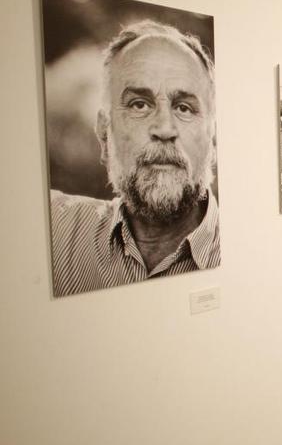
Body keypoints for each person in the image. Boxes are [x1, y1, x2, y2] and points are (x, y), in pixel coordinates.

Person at [49, 20, 220, 297]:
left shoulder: (248, 247)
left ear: (211, 137)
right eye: (139, 104)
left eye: (184, 108)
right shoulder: (55, 230)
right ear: (105, 135)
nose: (165, 129)